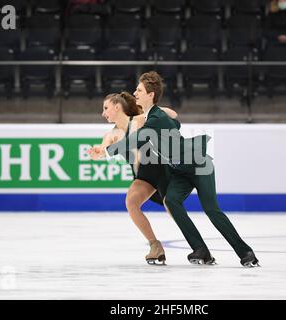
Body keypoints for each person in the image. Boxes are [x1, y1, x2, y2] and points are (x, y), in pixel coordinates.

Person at [103, 71, 260, 267]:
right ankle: (201, 250)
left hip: (199, 165)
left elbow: (138, 138)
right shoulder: (154, 116)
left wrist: (109, 151)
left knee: (211, 210)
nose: (135, 92)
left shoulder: (155, 118)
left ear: (150, 95)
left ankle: (246, 252)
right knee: (172, 201)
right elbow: (176, 122)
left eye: (139, 90)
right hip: (179, 170)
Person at [89, 91, 178, 265]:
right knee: (131, 202)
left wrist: (151, 111)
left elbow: (173, 115)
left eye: (106, 108)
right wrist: (97, 153)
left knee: (173, 207)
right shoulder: (111, 135)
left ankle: (197, 245)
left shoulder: (139, 120)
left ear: (117, 107)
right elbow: (103, 150)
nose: (103, 113)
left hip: (161, 170)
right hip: (143, 176)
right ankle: (155, 246)